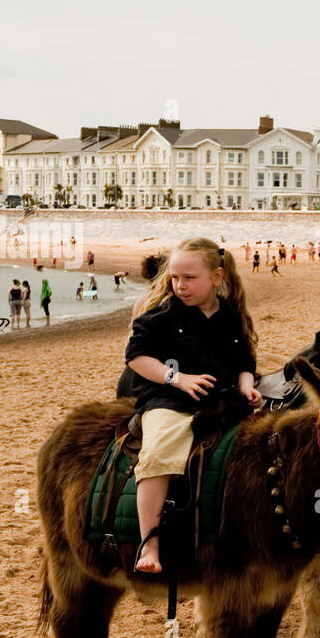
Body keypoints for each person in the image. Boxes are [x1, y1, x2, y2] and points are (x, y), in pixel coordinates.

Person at [125, 238, 260, 573]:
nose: (179, 286)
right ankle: (150, 544)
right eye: (174, 278)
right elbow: (137, 358)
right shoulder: (162, 315)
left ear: (216, 277)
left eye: (188, 278)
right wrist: (178, 378)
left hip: (224, 400)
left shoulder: (230, 314)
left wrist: (247, 385)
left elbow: (245, 359)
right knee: (159, 453)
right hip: (169, 400)